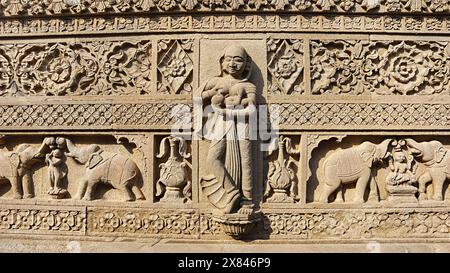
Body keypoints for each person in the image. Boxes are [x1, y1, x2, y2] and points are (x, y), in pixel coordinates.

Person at [199, 45, 257, 215]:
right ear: (222, 62)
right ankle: (231, 192)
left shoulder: (248, 86)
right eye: (228, 59)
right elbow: (197, 98)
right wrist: (211, 93)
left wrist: (230, 110)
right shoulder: (215, 82)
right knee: (212, 160)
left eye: (238, 60)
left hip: (242, 125)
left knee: (246, 162)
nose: (232, 64)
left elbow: (252, 109)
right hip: (221, 124)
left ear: (246, 64)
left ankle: (247, 201)